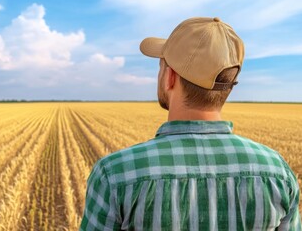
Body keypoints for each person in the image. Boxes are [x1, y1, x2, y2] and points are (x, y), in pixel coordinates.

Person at [80, 17, 301, 230]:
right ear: (229, 86)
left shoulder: (115, 175)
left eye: (161, 66)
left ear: (170, 77)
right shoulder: (277, 173)